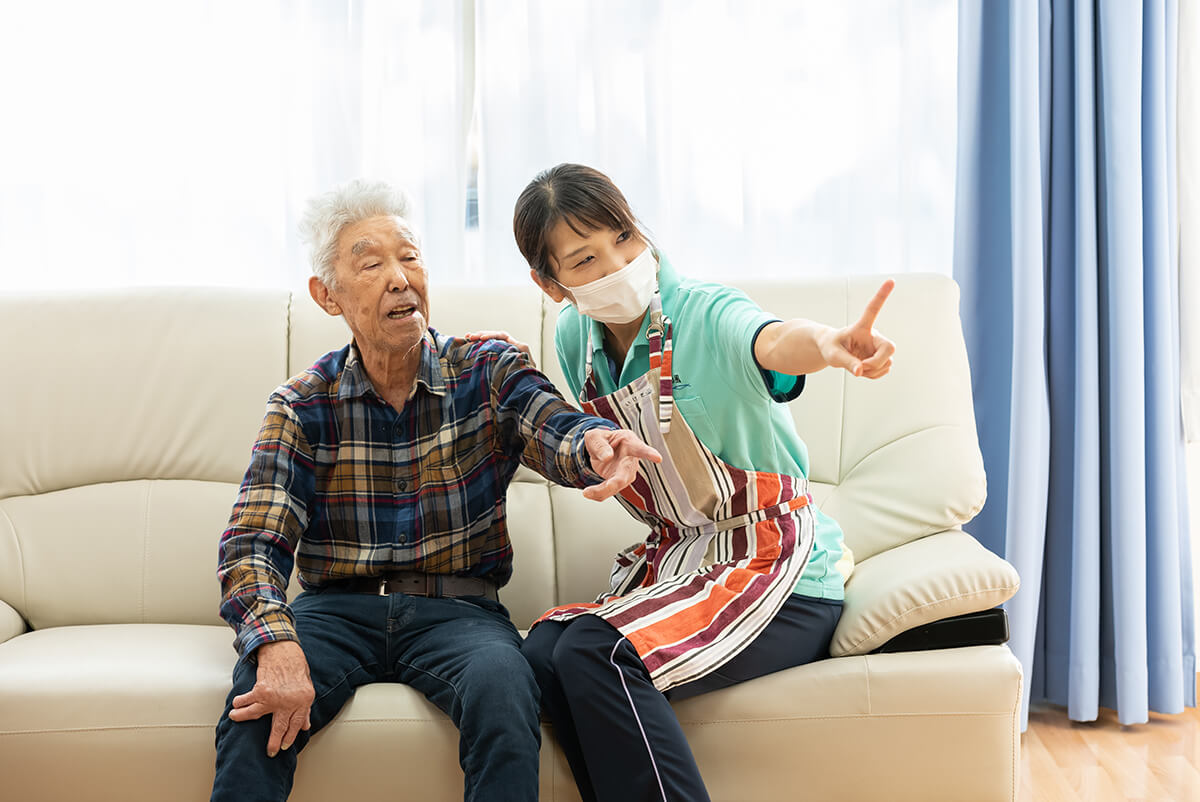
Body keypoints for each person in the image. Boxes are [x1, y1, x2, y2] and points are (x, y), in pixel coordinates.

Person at [210, 178, 660, 802]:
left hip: (461, 613)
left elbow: (550, 423)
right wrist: (274, 641)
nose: (399, 277)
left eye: (411, 256)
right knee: (256, 709)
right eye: (371, 263)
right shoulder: (300, 404)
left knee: (506, 687)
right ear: (327, 295)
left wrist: (592, 441)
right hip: (335, 612)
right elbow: (251, 543)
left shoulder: (487, 368)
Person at [469, 163, 896, 802]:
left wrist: (828, 342)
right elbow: (579, 437)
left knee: (596, 648)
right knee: (545, 654)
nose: (618, 263)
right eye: (585, 259)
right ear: (550, 284)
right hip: (682, 560)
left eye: (624, 237)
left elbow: (771, 341)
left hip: (774, 565)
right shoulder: (572, 336)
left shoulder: (702, 310)